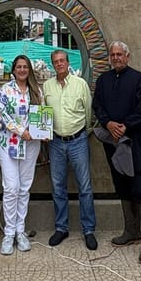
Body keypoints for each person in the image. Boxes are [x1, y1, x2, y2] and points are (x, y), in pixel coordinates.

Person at [93, 40, 141, 265]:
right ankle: (131, 231)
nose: (116, 58)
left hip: (135, 143)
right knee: (121, 185)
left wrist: (124, 126)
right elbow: (97, 106)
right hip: (112, 143)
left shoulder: (139, 80)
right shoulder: (103, 80)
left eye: (120, 54)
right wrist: (108, 123)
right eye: (113, 55)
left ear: (127, 56)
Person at [42, 49, 97, 250]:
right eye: (55, 61)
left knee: (85, 186)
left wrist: (85, 132)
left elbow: (89, 111)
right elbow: (43, 111)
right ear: (52, 64)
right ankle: (61, 227)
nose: (59, 64)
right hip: (55, 142)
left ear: (67, 62)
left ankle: (89, 230)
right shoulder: (47, 86)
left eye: (62, 60)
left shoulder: (80, 84)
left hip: (78, 140)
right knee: (58, 187)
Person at [0, 55, 42, 255]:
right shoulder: (5, 90)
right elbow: (2, 115)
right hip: (10, 144)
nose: (22, 70)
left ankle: (20, 231)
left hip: (31, 145)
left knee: (24, 188)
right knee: (11, 188)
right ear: (13, 70)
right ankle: (8, 233)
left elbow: (42, 115)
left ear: (29, 70)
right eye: (19, 67)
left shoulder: (36, 90)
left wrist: (43, 131)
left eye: (25, 67)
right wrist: (20, 130)